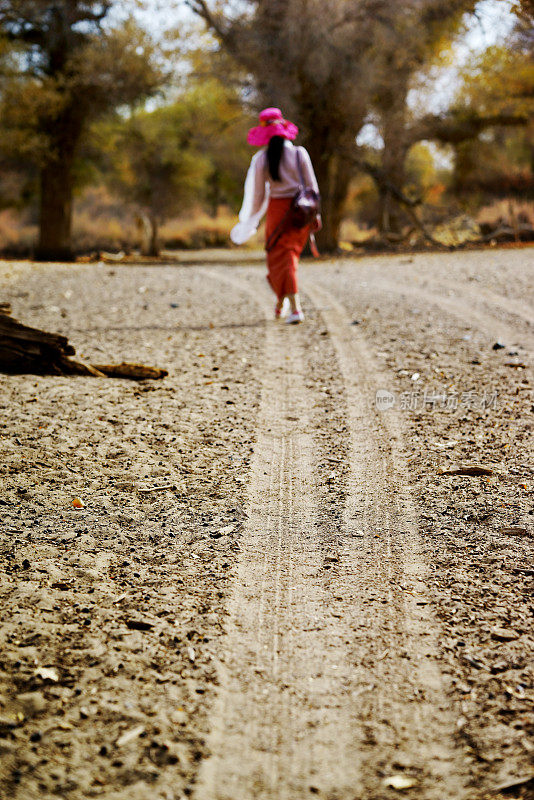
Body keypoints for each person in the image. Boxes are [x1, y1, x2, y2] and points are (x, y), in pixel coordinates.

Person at [231, 107, 321, 324]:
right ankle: (282, 303)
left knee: (281, 258)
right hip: (300, 213)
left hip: (277, 213)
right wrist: (316, 215)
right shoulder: (300, 153)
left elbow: (258, 197)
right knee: (287, 258)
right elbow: (312, 188)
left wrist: (250, 220)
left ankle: (296, 308)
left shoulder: (262, 159)